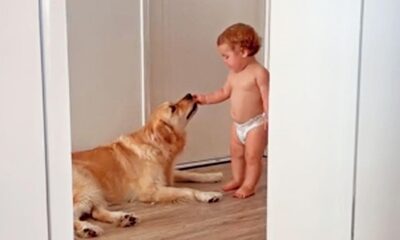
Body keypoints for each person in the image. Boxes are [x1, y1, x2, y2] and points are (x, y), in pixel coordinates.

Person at [194, 23, 269, 198]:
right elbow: (223, 92)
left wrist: (269, 116)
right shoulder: (233, 75)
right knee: (236, 153)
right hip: (237, 125)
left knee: (252, 157)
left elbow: (267, 97)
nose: (224, 60)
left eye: (226, 56)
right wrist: (205, 99)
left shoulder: (259, 73)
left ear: (243, 52)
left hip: (255, 124)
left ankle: (249, 185)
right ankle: (237, 178)